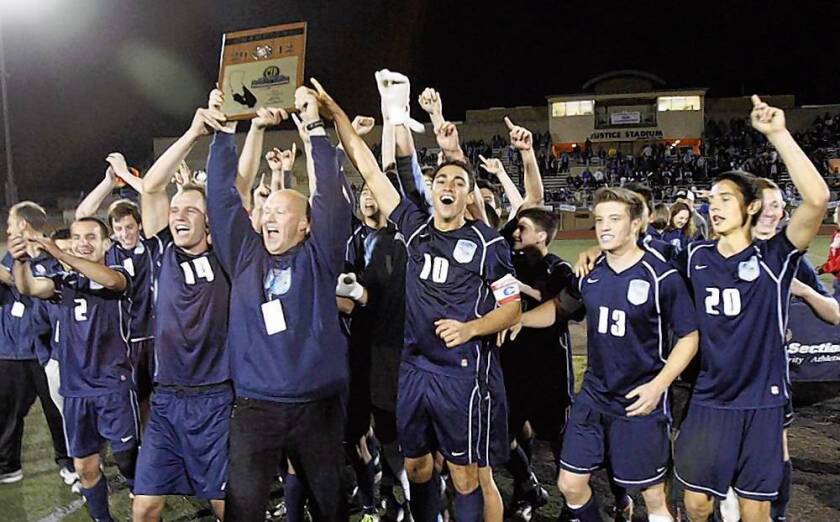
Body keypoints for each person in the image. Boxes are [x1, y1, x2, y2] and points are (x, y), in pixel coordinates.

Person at [328, 76, 521, 522]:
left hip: (462, 374)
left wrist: (471, 328)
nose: (447, 184)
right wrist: (337, 114)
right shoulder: (414, 227)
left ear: (467, 194)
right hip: (413, 369)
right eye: (441, 179)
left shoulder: (489, 244)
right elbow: (372, 171)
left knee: (464, 474)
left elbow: (512, 307)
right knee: (416, 466)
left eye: (458, 180)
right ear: (433, 190)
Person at [674, 96, 829, 522]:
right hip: (709, 400)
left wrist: (778, 134)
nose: (714, 205)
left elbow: (816, 200)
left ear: (752, 207)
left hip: (763, 401)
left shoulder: (775, 259)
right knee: (696, 503)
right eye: (711, 198)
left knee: (754, 508)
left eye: (725, 197)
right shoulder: (694, 256)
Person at [207, 82, 351, 521]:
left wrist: (313, 127)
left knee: (329, 505)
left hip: (317, 408)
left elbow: (331, 199)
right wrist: (223, 129)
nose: (267, 216)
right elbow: (221, 197)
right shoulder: (245, 253)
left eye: (280, 212)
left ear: (306, 225)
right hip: (255, 408)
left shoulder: (321, 254)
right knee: (245, 508)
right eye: (265, 211)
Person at [538, 187, 698, 522]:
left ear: (637, 224)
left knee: (653, 498)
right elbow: (559, 309)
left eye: (614, 219)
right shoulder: (590, 271)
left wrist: (659, 386)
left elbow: (689, 337)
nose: (604, 227)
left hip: (640, 401)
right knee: (570, 484)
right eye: (599, 220)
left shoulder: (662, 277)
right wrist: (513, 320)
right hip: (594, 396)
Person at [129, 94, 236, 522]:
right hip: (167, 399)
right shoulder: (161, 253)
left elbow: (233, 189)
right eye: (175, 210)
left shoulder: (227, 256)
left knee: (227, 505)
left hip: (215, 397)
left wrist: (224, 135)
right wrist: (194, 131)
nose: (178, 215)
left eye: (190, 209)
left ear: (209, 221)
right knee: (145, 508)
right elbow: (152, 187)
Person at [718, 177, 839, 522]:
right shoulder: (716, 252)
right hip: (719, 377)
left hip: (768, 377)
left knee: (775, 451)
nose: (776, 213)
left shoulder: (791, 259)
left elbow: (833, 314)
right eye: (769, 205)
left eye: (780, 206)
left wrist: (801, 290)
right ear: (750, 207)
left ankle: (777, 514)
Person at [11, 217, 137, 522]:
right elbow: (30, 287)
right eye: (78, 236)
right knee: (85, 466)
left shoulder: (119, 273)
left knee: (128, 461)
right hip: (75, 389)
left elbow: (108, 281)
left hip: (112, 387)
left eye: (92, 236)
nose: (84, 242)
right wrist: (20, 262)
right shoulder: (64, 282)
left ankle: (147, 511)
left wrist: (59, 252)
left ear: (107, 244)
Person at [498, 207, 575, 521]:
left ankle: (573, 504)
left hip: (550, 372)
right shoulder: (509, 260)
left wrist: (522, 289)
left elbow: (559, 308)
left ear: (542, 235)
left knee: (559, 442)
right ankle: (527, 484)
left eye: (524, 228)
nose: (517, 233)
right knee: (501, 440)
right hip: (512, 368)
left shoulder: (560, 269)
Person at [0, 201, 75, 489]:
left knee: (57, 412)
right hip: (12, 348)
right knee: (8, 412)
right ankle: (9, 466)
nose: (7, 228)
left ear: (24, 225)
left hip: (45, 349)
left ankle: (68, 461)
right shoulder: (10, 256)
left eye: (11, 221)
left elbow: (25, 285)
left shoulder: (51, 257)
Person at [76, 161, 157, 425]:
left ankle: (152, 444)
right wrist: (109, 182)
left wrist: (125, 175)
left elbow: (150, 193)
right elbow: (83, 215)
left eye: (130, 227)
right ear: (112, 231)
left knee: (155, 397)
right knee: (129, 397)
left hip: (154, 335)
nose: (125, 234)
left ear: (139, 226)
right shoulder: (110, 251)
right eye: (119, 229)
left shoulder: (151, 246)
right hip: (121, 339)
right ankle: (133, 446)